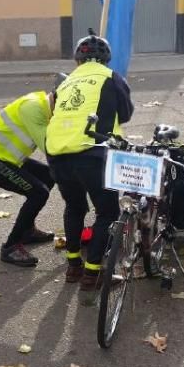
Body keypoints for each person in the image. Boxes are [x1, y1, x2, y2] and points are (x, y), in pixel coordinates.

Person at [46, 30, 133, 292]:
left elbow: (54, 110)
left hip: (57, 153)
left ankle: (74, 266)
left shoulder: (65, 82)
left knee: (74, 207)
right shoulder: (111, 77)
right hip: (92, 151)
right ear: (106, 59)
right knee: (107, 212)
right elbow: (126, 114)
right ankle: (93, 273)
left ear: (77, 60)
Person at [0, 81, 61, 267]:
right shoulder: (33, 108)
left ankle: (27, 230)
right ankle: (11, 246)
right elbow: (50, 148)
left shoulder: (43, 104)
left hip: (5, 157)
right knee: (38, 192)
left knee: (47, 176)